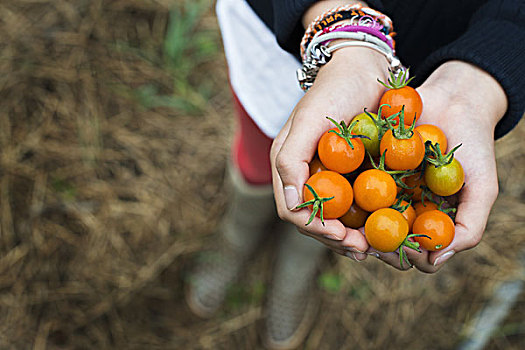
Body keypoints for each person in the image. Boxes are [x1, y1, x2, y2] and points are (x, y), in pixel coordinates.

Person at [187, 0, 525, 348]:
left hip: (424, 78)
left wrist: (480, 80)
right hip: (280, 35)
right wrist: (344, 30)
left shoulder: (408, 129)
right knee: (260, 155)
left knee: (327, 209)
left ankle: (299, 260)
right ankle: (237, 233)